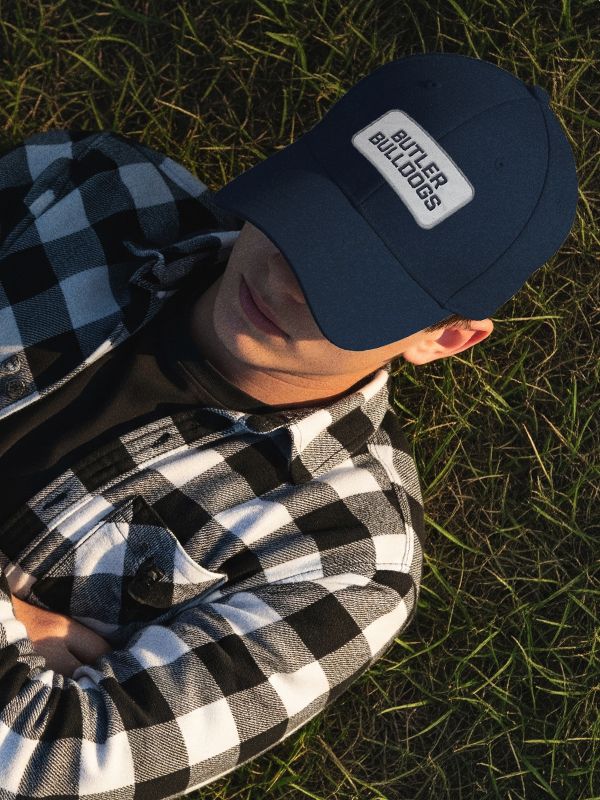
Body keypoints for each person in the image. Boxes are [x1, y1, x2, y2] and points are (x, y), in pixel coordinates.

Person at [0, 52, 577, 798]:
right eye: (307, 222)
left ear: (445, 338)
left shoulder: (347, 558)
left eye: (353, 284)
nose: (283, 281)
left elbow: (41, 764)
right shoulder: (92, 187)